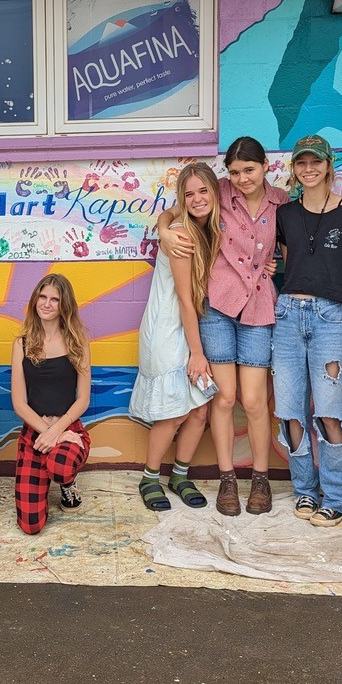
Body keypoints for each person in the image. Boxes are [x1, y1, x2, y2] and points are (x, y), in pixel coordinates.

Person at [158, 139, 287, 515]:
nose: (242, 178)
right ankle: (227, 477)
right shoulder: (220, 191)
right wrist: (165, 229)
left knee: (254, 400)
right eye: (235, 171)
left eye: (250, 169)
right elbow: (178, 208)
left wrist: (275, 263)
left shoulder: (280, 201)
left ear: (265, 166)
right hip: (217, 307)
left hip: (259, 307)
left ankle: (260, 479)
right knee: (225, 397)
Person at [273, 135, 342, 527]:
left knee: (330, 413)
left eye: (315, 163)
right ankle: (305, 492)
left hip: (329, 318)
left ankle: (338, 497)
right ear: (294, 169)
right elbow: (287, 263)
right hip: (288, 315)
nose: (308, 169)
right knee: (291, 413)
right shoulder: (286, 214)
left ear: (328, 166)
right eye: (301, 164)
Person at [129, 162, 221, 512]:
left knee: (199, 408)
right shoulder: (181, 234)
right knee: (173, 412)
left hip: (191, 324)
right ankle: (149, 477)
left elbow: (166, 214)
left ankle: (180, 475)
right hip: (169, 328)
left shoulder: (197, 226)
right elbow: (184, 298)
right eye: (189, 194)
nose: (197, 199)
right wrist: (197, 354)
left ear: (214, 192)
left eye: (203, 191)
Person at [11, 273, 92, 534]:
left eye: (54, 299)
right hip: (35, 433)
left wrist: (59, 431)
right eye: (42, 297)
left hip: (69, 430)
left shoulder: (78, 342)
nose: (47, 303)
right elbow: (18, 403)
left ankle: (66, 482)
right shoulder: (21, 344)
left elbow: (83, 399)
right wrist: (47, 432)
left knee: (60, 466)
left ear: (64, 306)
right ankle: (41, 479)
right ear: (35, 300)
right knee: (30, 526)